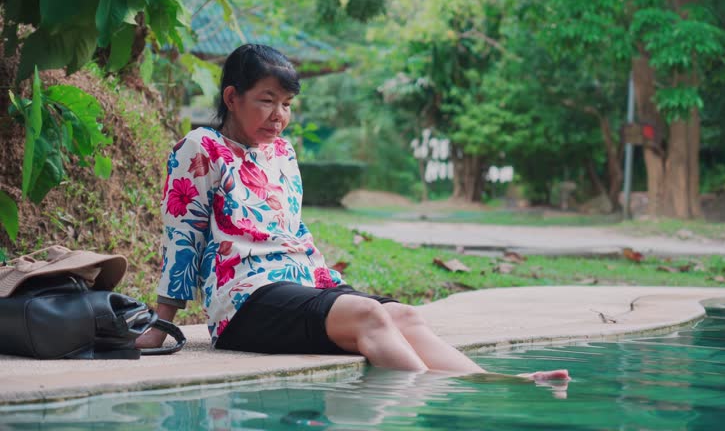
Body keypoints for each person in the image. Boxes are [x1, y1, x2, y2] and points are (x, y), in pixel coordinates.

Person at [137, 44, 569, 382]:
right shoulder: (200, 148)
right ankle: (447, 394)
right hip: (243, 302)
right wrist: (161, 324)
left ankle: (493, 381)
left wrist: (336, 288)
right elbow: (183, 235)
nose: (279, 116)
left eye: (286, 104)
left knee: (403, 315)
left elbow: (294, 233)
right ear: (232, 97)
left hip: (299, 286)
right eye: (267, 101)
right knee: (370, 316)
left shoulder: (282, 153)